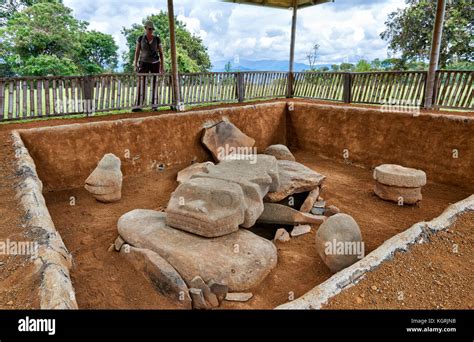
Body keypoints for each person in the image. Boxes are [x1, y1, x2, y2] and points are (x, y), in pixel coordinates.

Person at [132, 21, 165, 112]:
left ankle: (154, 105)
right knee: (141, 83)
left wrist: (162, 67)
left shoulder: (157, 39)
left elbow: (161, 53)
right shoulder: (140, 38)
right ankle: (138, 105)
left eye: (152, 29)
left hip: (155, 63)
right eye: (149, 29)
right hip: (143, 62)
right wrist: (135, 64)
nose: (151, 30)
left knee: (155, 83)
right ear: (145, 28)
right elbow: (137, 52)